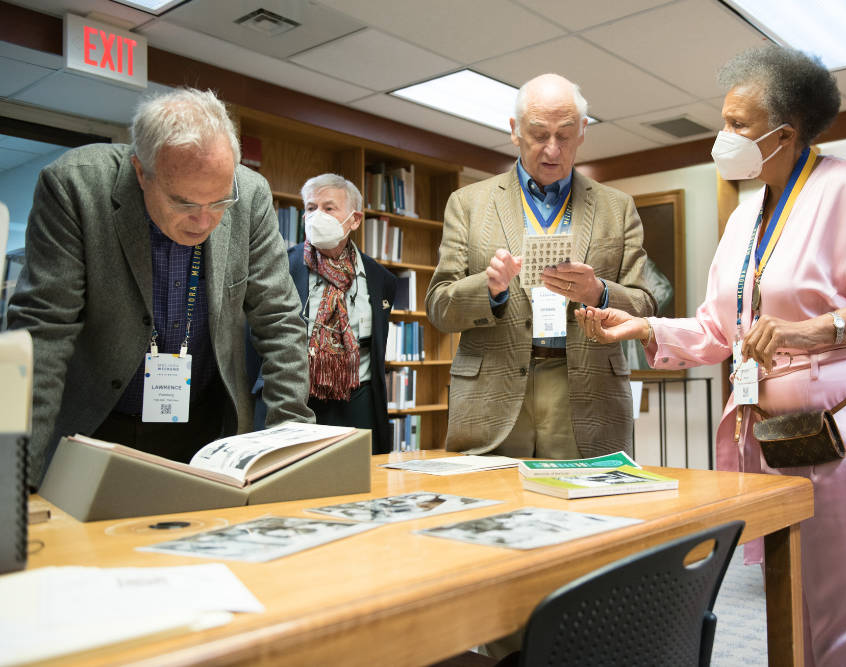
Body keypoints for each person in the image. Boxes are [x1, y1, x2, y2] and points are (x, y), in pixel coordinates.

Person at [577, 46, 846, 666]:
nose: (724, 137)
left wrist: (810, 332)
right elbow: (720, 329)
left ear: (788, 131)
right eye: (723, 121)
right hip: (784, 438)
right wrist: (642, 326)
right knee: (798, 599)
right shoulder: (745, 216)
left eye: (739, 124)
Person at [8, 87, 313, 489]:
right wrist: (15, 480)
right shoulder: (76, 187)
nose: (204, 222)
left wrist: (290, 449)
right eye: (184, 203)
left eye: (219, 201)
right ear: (140, 172)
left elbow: (280, 323)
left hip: (207, 432)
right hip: (95, 428)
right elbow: (42, 336)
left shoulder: (251, 194)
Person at [426, 73, 655, 461]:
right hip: (492, 395)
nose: (552, 149)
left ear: (583, 131)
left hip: (586, 394)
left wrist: (598, 292)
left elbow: (645, 305)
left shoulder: (618, 208)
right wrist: (489, 288)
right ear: (515, 131)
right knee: (491, 514)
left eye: (564, 135)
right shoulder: (468, 204)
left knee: (587, 517)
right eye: (538, 134)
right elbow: (439, 308)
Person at [251, 174, 397, 454]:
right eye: (310, 208)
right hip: (292, 399)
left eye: (328, 208)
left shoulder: (381, 279)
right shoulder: (279, 267)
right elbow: (255, 342)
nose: (317, 216)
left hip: (358, 400)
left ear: (354, 219)